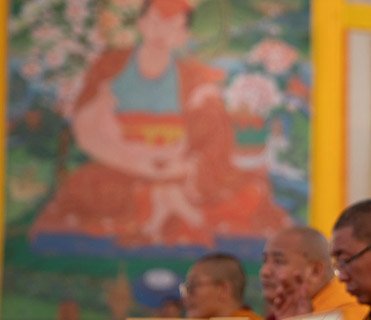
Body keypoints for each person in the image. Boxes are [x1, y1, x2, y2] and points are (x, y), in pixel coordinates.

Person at [31, 0, 289, 248]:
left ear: (183, 35)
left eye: (173, 26)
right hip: (119, 167)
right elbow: (87, 131)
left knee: (250, 190)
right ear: (141, 23)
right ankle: (169, 210)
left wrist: (184, 167)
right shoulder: (110, 66)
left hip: (177, 169)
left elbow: (214, 141)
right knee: (88, 188)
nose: (161, 32)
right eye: (155, 21)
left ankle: (165, 208)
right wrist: (139, 165)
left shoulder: (193, 78)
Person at [252, 226, 369, 320]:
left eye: (278, 261)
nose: (265, 271)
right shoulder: (281, 315)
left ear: (315, 271)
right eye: (264, 261)